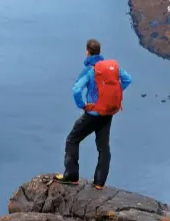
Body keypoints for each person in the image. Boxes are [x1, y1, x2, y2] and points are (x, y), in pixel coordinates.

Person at [55, 38, 132, 189]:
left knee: (72, 140)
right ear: (99, 51)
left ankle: (71, 176)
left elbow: (76, 89)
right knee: (103, 147)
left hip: (93, 114)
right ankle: (99, 182)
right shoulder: (112, 69)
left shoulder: (90, 70)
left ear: (87, 51)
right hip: (108, 113)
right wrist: (114, 95)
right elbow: (128, 79)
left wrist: (83, 105)